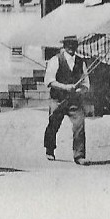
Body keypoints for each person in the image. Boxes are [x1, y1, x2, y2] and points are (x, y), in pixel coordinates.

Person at [43, 34, 90, 165]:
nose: (71, 46)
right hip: (57, 99)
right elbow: (49, 81)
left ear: (77, 45)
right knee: (53, 124)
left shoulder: (81, 62)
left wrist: (79, 91)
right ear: (64, 45)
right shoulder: (55, 60)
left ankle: (79, 155)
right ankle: (50, 149)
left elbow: (86, 84)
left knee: (79, 125)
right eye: (68, 43)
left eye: (73, 44)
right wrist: (65, 87)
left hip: (74, 101)